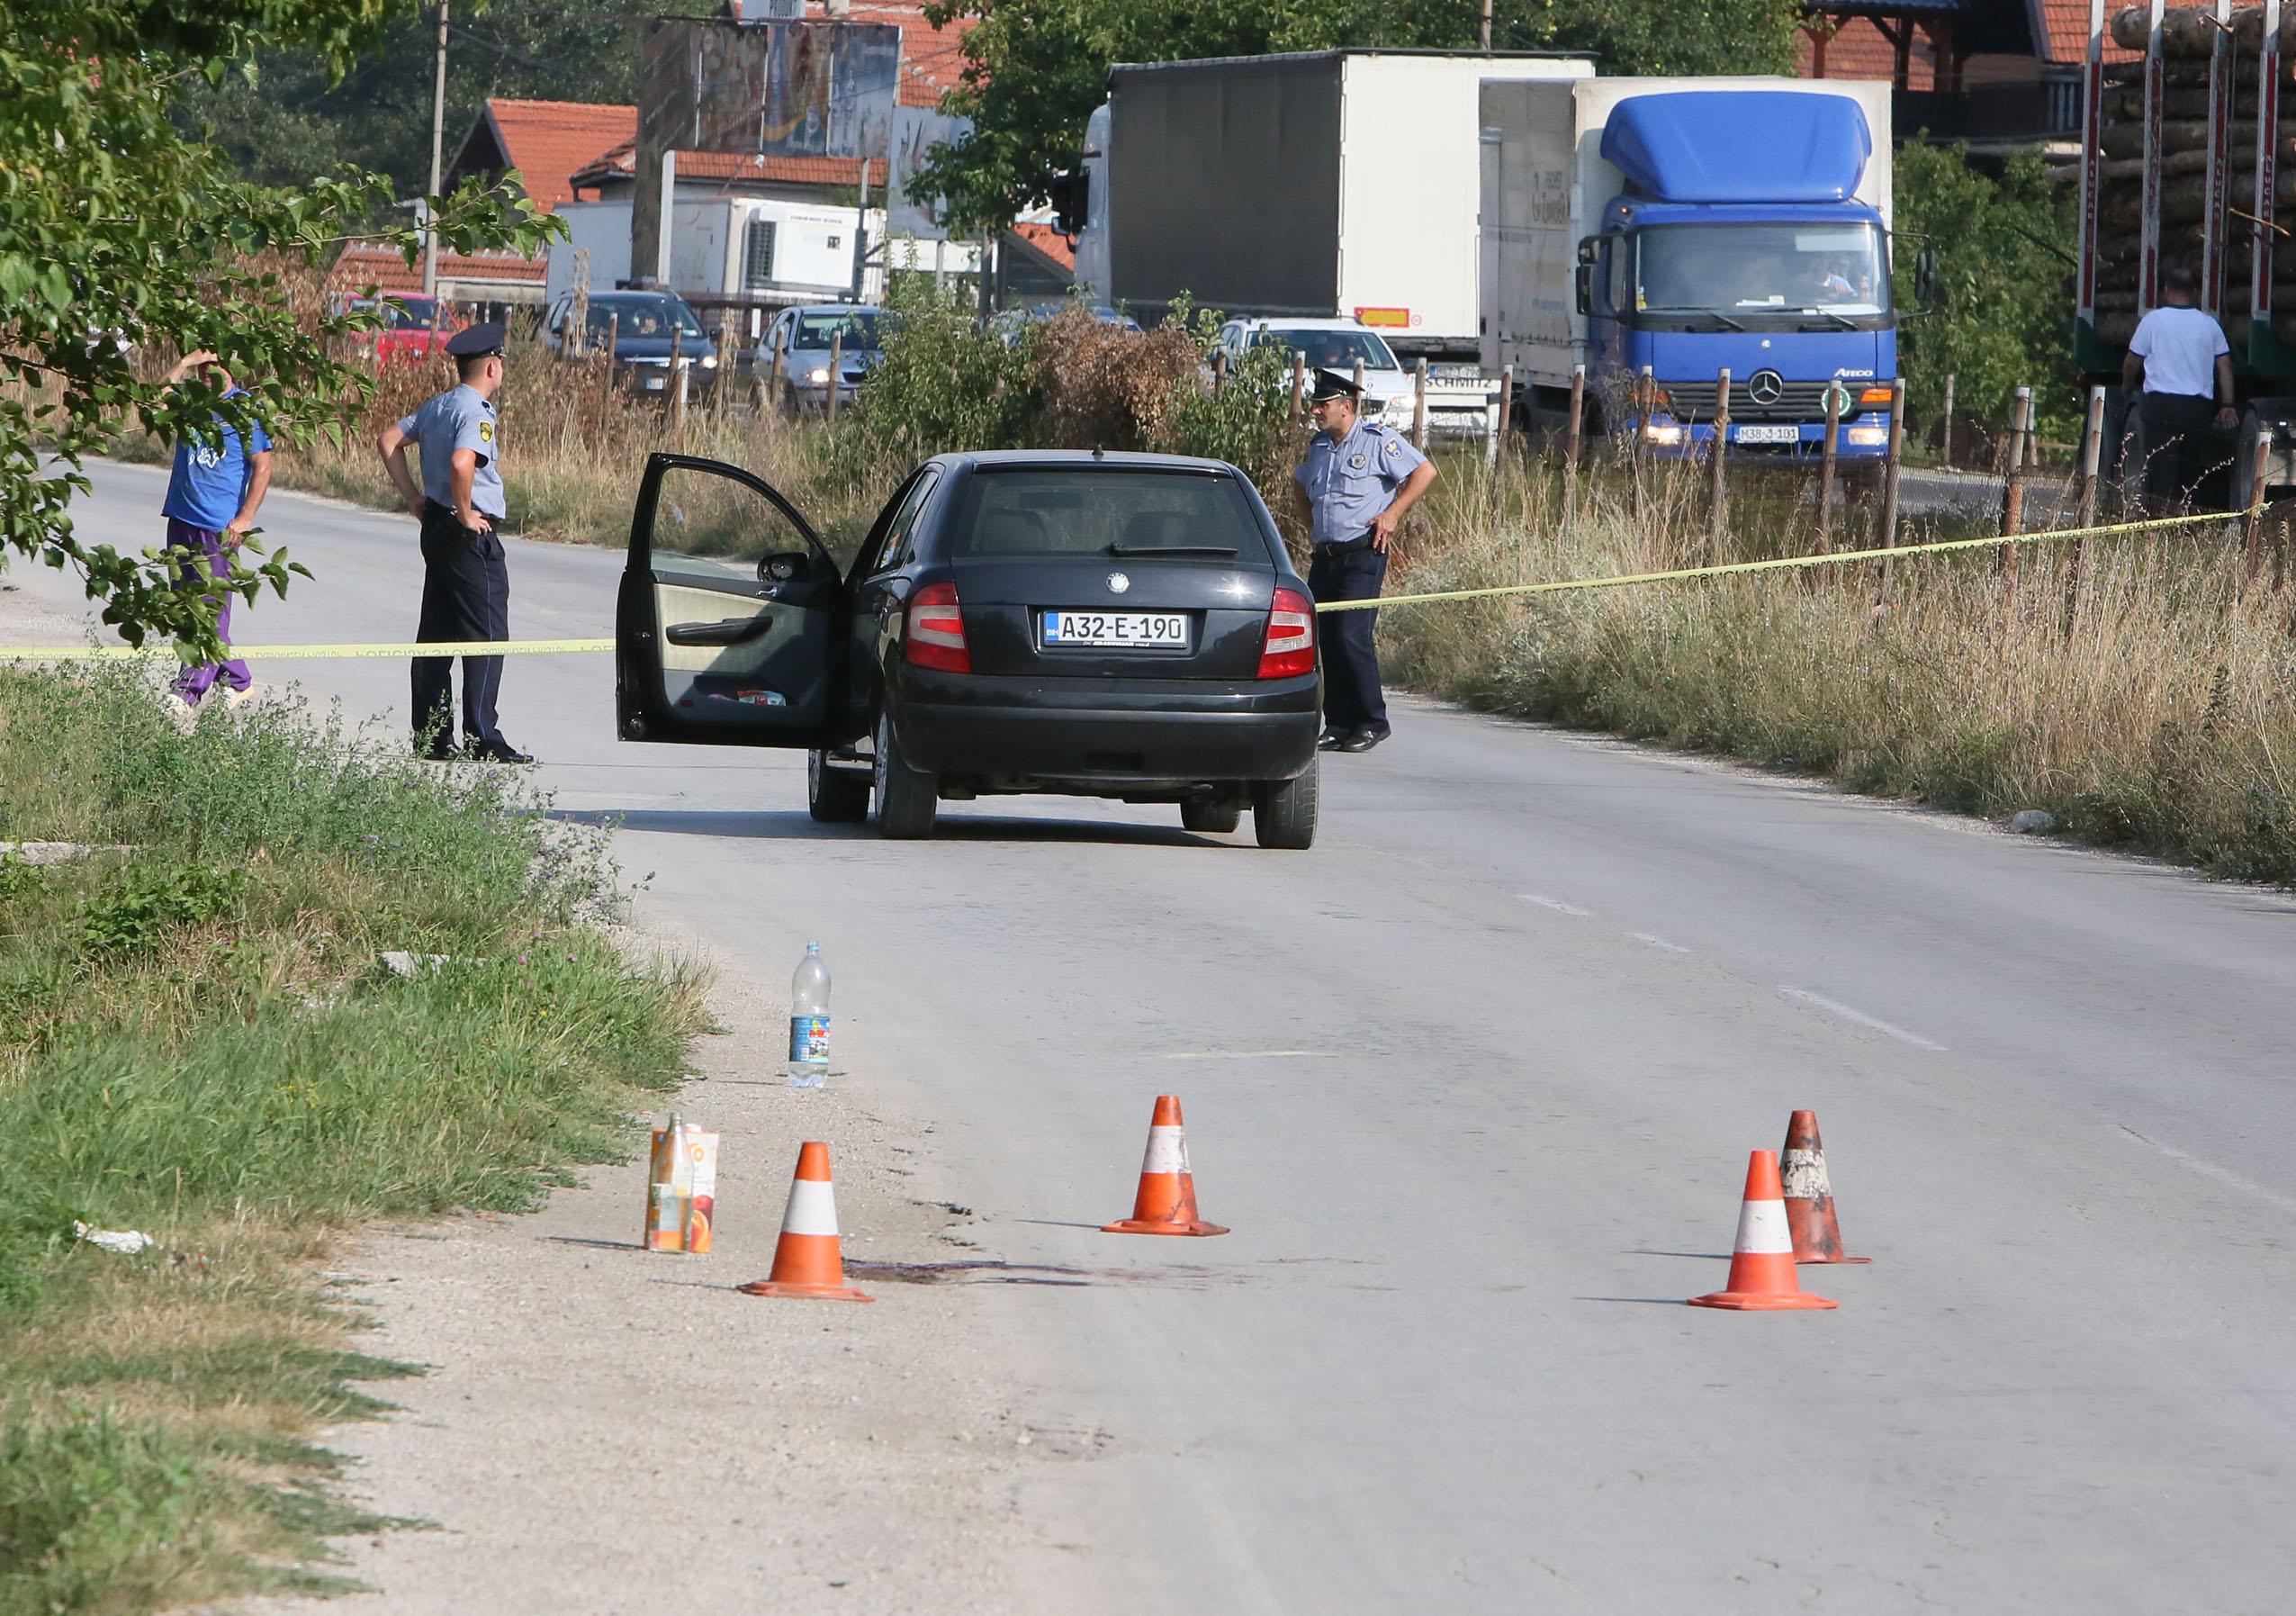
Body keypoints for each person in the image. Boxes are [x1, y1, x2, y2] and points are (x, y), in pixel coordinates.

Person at [376, 320, 532, 763]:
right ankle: (484, 737)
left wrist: (413, 497)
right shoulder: (476, 411)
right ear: (492, 367)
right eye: (500, 362)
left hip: (436, 528)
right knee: (485, 634)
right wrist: (466, 513)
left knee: (437, 635)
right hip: (467, 534)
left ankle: (432, 737)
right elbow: (464, 462)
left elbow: (389, 440)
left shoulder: (437, 406)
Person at [1290, 367, 1437, 754]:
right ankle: (1339, 723)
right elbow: (1300, 484)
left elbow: (1424, 471)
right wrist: (1311, 526)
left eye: (1324, 405)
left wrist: (1393, 514)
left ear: (1347, 406)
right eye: (1316, 405)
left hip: (1363, 553)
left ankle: (1372, 721)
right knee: (1324, 641)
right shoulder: (1318, 446)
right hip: (1326, 555)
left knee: (1351, 635)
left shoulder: (1376, 441)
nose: (1317, 412)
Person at [158, 350, 272, 726]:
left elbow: (263, 466)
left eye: (214, 366)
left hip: (216, 526)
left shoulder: (244, 410)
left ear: (233, 368)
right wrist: (185, 362)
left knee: (209, 610)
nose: (206, 373)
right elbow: (156, 398)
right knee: (184, 606)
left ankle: (187, 691)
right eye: (203, 367)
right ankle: (236, 678)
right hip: (180, 517)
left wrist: (246, 517)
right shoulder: (191, 402)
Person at [2123, 263, 2239, 511]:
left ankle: (2159, 525)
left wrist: (2127, 386)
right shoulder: (2209, 325)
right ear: (2195, 293)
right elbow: (2225, 367)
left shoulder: (2152, 321)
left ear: (2166, 290)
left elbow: (2132, 361)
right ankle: (2183, 523)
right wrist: (2228, 404)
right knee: (2189, 468)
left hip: (2159, 406)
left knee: (2161, 466)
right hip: (2197, 409)